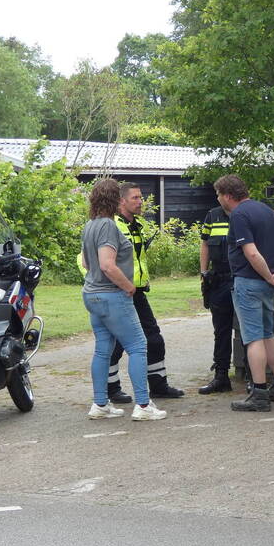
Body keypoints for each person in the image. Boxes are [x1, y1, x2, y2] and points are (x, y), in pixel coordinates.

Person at [80, 179, 167, 421]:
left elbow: (88, 263)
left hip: (92, 294)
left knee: (103, 350)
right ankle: (143, 405)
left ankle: (100, 404)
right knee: (138, 346)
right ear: (115, 200)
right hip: (111, 295)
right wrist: (128, 286)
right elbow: (107, 265)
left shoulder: (90, 225)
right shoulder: (108, 226)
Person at [214, 174, 274, 412]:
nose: (218, 200)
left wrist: (269, 275)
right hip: (268, 285)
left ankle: (258, 394)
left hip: (249, 282)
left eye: (218, 195)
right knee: (268, 334)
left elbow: (251, 253)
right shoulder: (265, 210)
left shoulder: (239, 215)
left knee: (253, 338)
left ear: (227, 196)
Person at [103, 182, 185, 403]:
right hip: (118, 293)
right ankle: (110, 390)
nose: (141, 202)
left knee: (154, 339)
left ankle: (158, 386)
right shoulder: (111, 226)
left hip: (137, 293)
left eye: (141, 197)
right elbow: (87, 261)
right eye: (136, 198)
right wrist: (113, 284)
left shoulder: (135, 225)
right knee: (117, 343)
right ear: (122, 201)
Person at [197, 204, 239, 394]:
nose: (217, 198)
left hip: (241, 278)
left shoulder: (244, 214)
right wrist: (204, 272)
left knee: (247, 330)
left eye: (220, 193)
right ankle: (221, 376)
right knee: (220, 331)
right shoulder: (212, 215)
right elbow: (205, 243)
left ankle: (252, 377)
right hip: (218, 280)